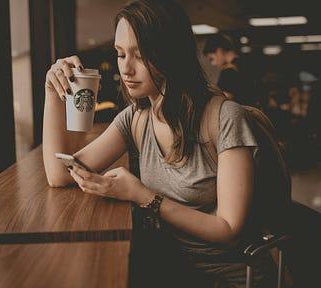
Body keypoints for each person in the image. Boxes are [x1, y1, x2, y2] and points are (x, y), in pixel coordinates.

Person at [43, 0, 277, 287]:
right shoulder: (136, 118)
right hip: (171, 267)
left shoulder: (226, 117)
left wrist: (143, 196)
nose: (126, 68)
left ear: (171, 54)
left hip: (227, 276)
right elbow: (59, 174)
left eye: (139, 56)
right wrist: (53, 92)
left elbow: (228, 229)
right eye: (120, 54)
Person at [203, 33, 258, 107]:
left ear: (219, 51)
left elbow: (224, 101)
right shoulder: (248, 63)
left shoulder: (228, 72)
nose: (213, 64)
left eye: (211, 59)